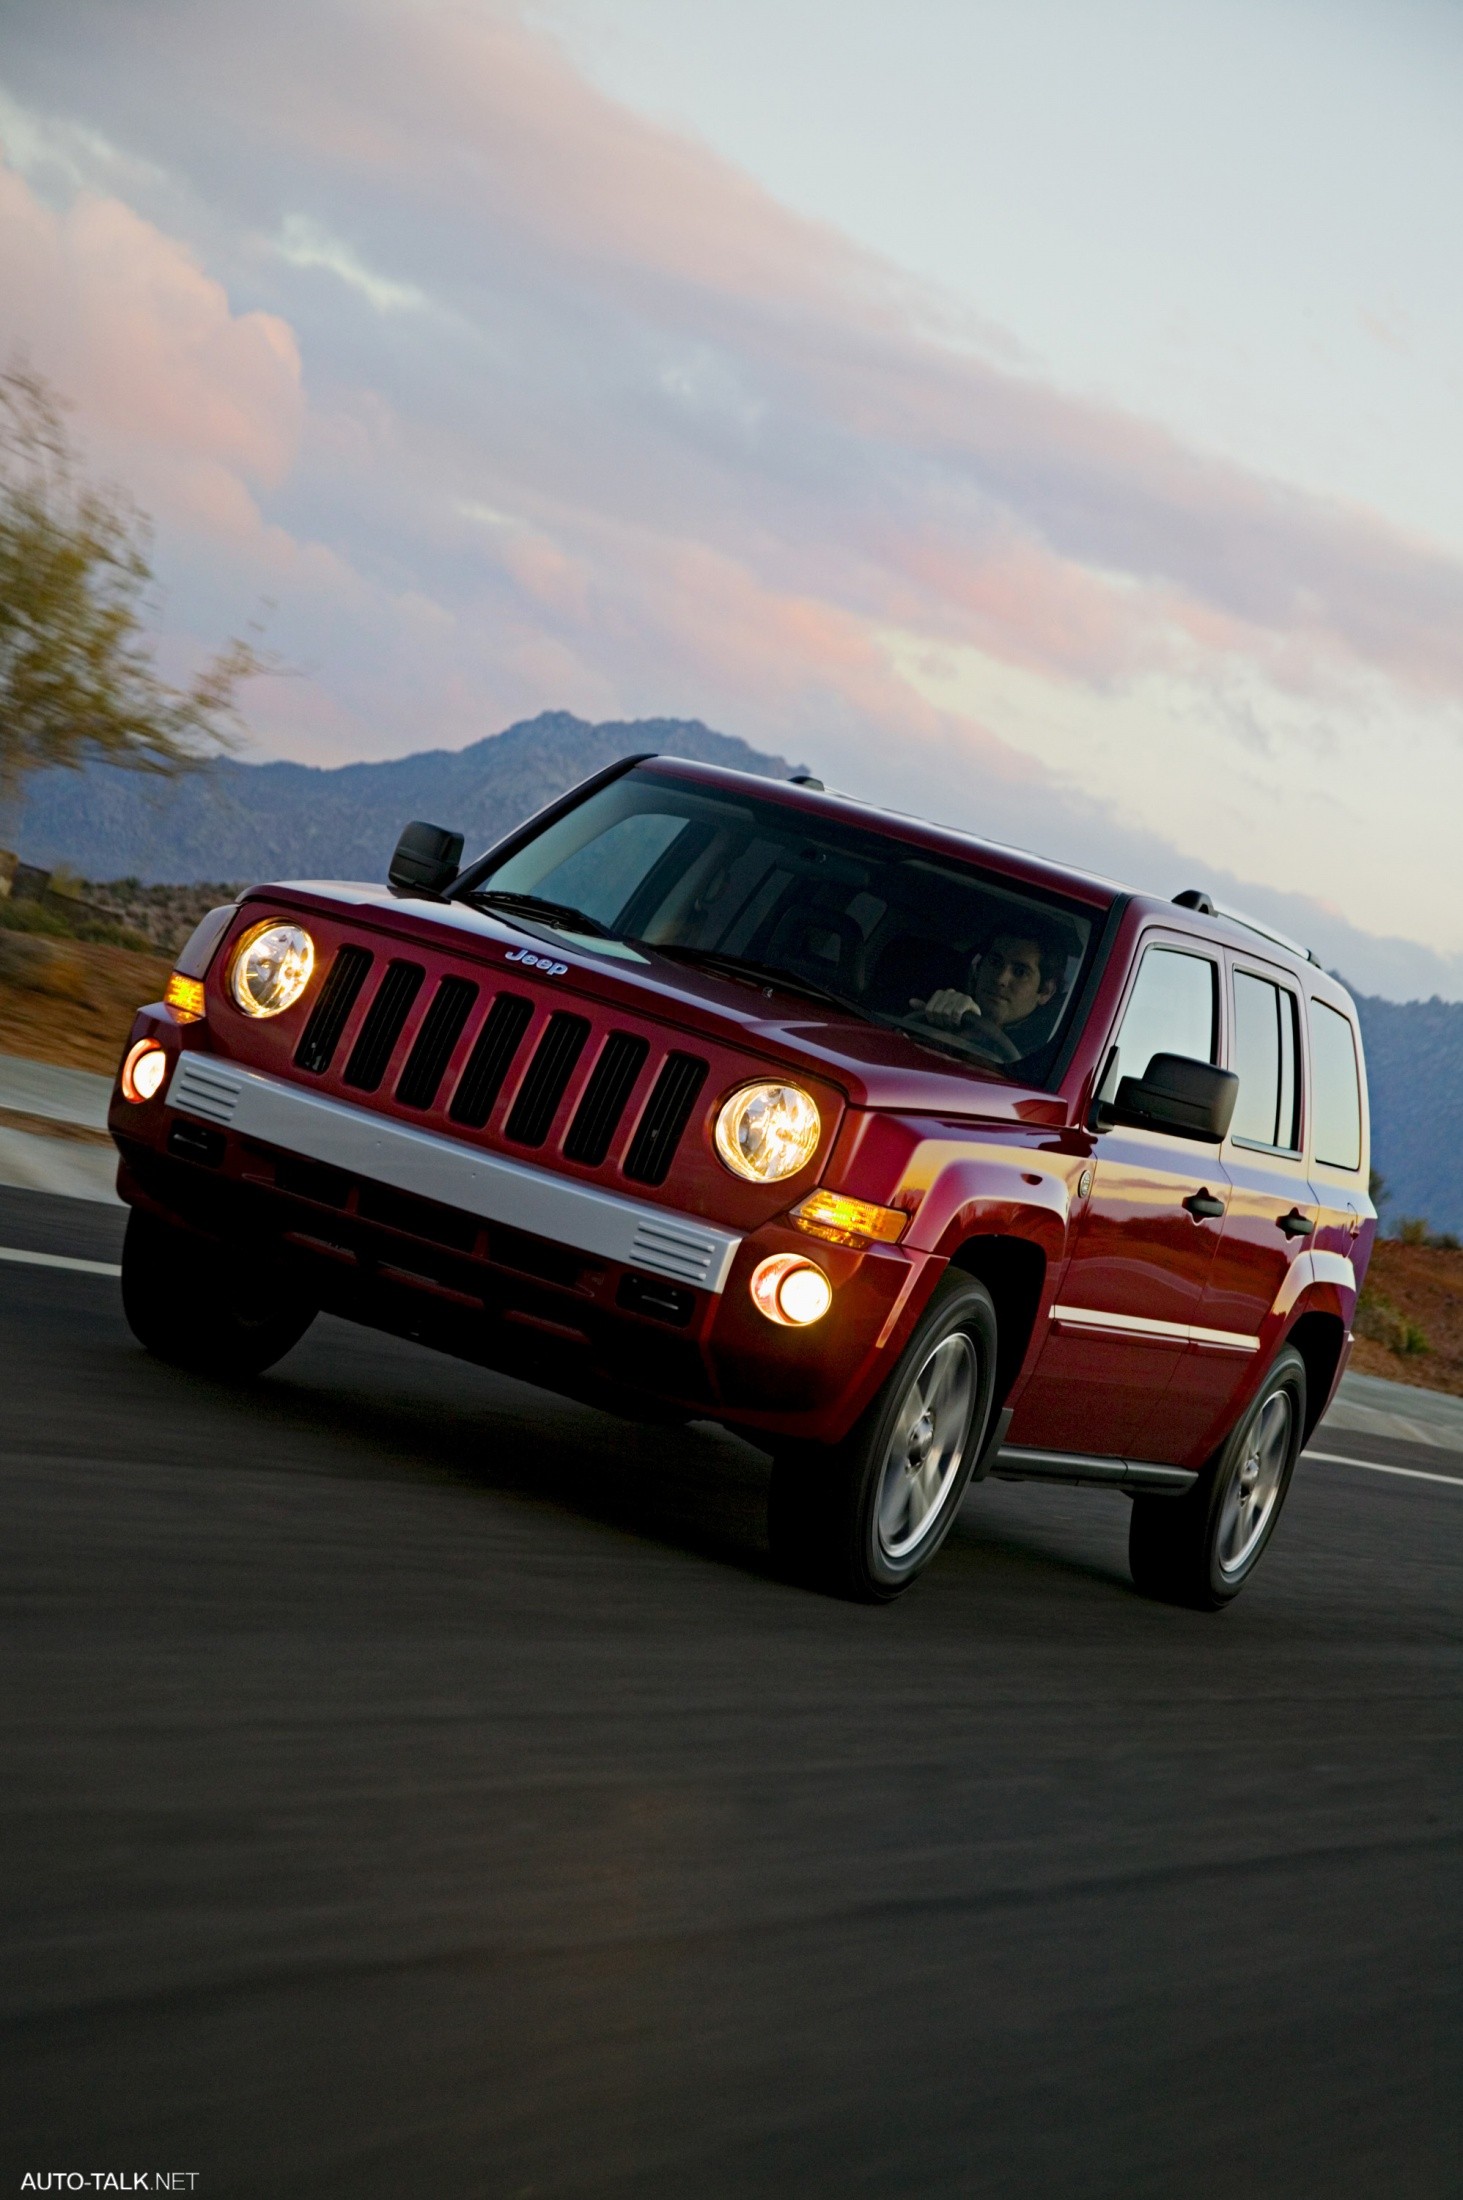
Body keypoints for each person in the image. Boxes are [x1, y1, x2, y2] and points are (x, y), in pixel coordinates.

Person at [911, 921, 1069, 1062]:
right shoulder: (935, 1000)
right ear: (978, 969)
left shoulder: (1048, 1058)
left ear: (1046, 992)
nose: (1001, 979)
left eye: (1020, 972)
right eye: (995, 962)